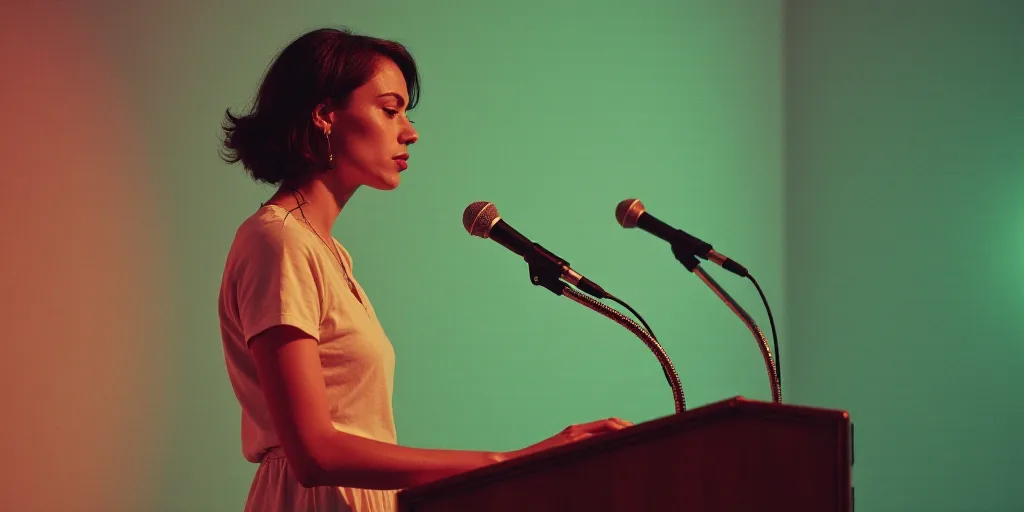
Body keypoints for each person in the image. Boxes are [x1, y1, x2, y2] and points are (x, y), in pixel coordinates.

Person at [216, 27, 631, 512]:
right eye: (390, 110)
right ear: (326, 114)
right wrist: (513, 460)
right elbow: (314, 454)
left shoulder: (325, 251)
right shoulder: (278, 240)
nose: (409, 131)